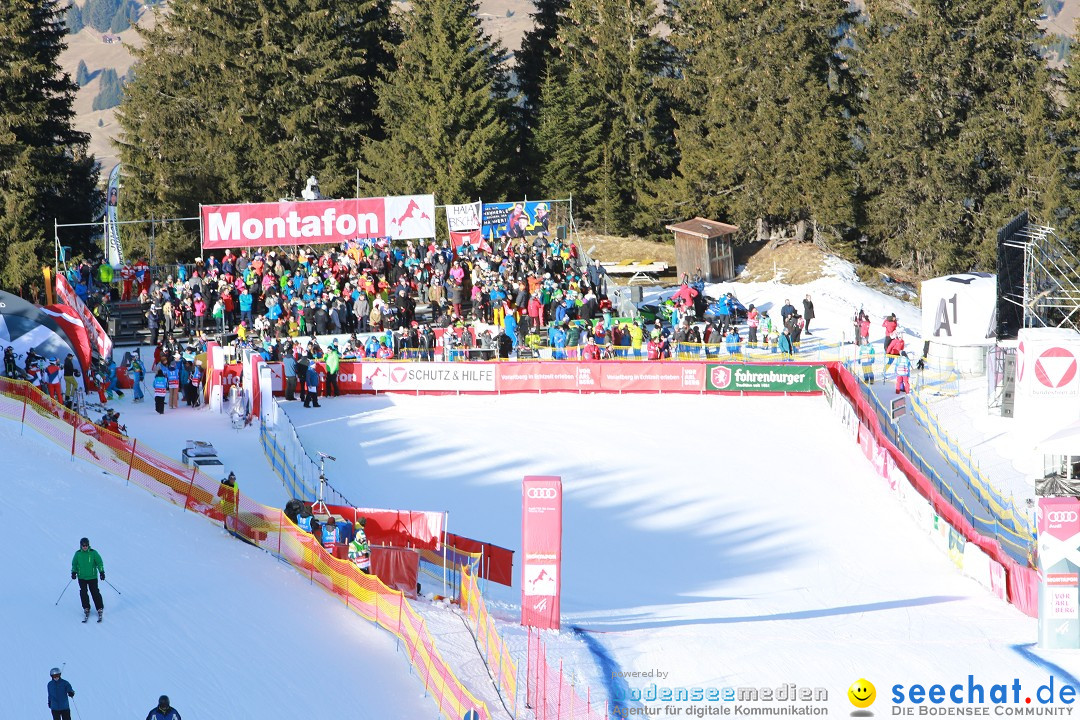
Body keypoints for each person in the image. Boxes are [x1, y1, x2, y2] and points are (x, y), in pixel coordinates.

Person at [71, 537, 104, 622]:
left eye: (86, 545)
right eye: (83, 545)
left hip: (92, 577)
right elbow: (74, 564)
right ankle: (86, 608)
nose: (85, 547)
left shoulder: (93, 553)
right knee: (83, 592)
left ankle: (99, 607)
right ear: (81, 545)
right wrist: (73, 572)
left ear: (88, 545)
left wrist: (101, 572)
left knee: (95, 592)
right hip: (82, 577)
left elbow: (99, 562)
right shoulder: (78, 554)